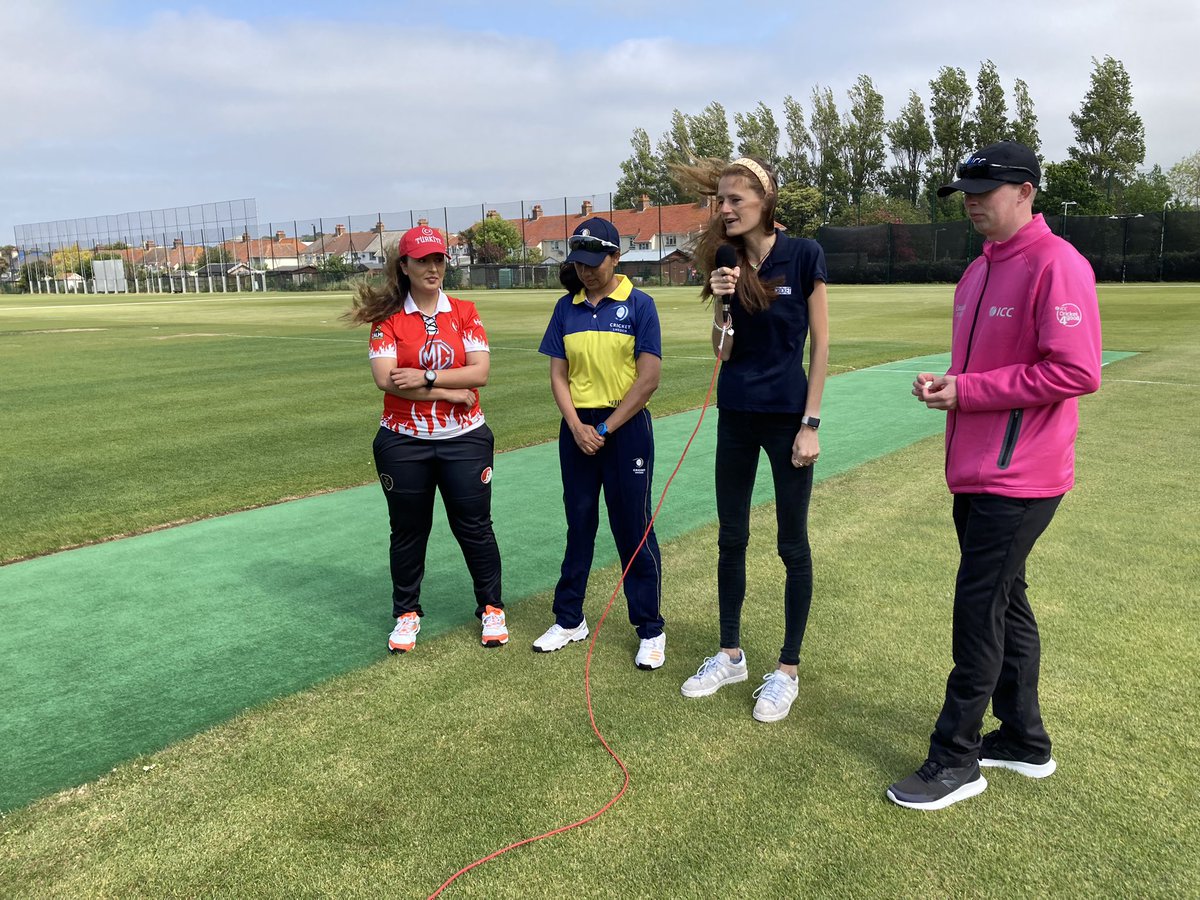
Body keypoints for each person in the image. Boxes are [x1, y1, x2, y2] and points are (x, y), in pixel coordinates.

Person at [886, 141, 1102, 810]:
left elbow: (1076, 370)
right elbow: (984, 369)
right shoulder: (979, 269)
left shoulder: (1057, 265)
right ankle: (1023, 740)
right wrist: (950, 386)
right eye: (967, 191)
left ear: (1027, 191)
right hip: (977, 470)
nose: (974, 200)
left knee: (979, 607)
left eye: (988, 189)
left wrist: (970, 391)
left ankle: (956, 759)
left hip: (1023, 476)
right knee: (1006, 601)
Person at [674, 156, 830, 723]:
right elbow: (723, 351)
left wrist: (810, 424)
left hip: (788, 419)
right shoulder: (726, 263)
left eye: (736, 199)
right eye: (720, 200)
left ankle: (787, 670)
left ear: (765, 200)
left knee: (792, 544)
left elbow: (820, 347)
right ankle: (730, 654)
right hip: (735, 415)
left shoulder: (805, 254)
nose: (725, 209)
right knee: (731, 537)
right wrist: (721, 300)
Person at [345, 225, 507, 654]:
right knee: (408, 530)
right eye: (422, 260)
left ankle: (492, 608)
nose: (433, 268)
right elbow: (386, 380)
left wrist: (426, 377)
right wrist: (447, 391)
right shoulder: (389, 320)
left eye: (438, 259)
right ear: (405, 266)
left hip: (465, 438)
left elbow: (481, 373)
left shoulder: (466, 312)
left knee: (474, 528)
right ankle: (406, 614)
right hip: (404, 441)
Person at [534, 217, 666, 670]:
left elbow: (648, 380)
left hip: (624, 426)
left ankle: (650, 627)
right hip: (577, 429)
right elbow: (557, 373)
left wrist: (605, 429)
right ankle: (569, 619)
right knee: (580, 523)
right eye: (580, 264)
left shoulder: (640, 305)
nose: (587, 272)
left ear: (616, 257)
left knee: (632, 526)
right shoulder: (565, 308)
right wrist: (575, 426)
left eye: (595, 263)